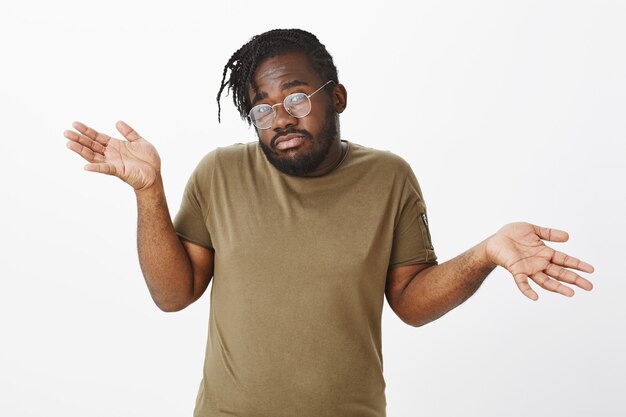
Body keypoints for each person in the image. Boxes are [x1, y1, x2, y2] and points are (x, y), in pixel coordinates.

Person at [63, 28, 595, 417]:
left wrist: (485, 253)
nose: (282, 118)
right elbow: (173, 295)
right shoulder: (219, 173)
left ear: (335, 97)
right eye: (262, 109)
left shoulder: (389, 177)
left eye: (296, 97)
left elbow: (409, 303)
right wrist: (149, 193)